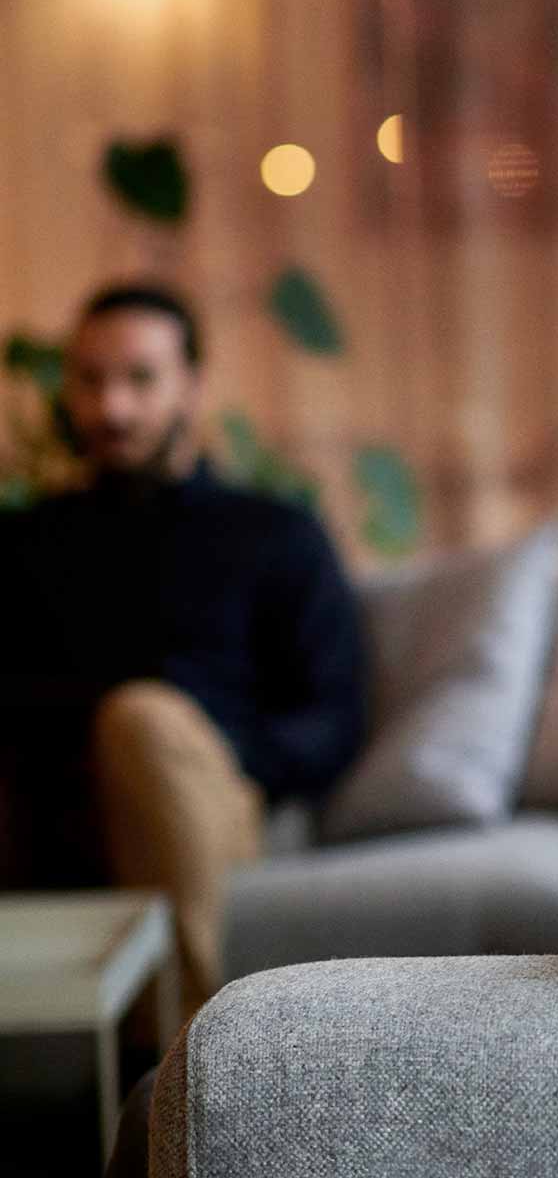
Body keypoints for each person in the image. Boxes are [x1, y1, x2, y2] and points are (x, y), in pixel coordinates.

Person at [0, 284, 367, 1020]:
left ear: (191, 386)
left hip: (216, 798)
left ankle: (182, 1054)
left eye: (139, 379)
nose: (113, 409)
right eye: (91, 380)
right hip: (59, 799)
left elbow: (332, 715)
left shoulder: (275, 532)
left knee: (143, 720)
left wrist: (216, 750)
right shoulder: (29, 541)